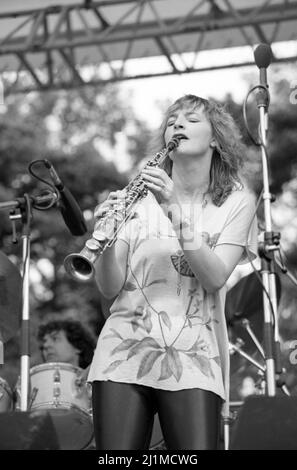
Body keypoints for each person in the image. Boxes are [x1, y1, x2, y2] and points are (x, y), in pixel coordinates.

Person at [87, 94, 258, 450]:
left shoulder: (237, 201)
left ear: (215, 138)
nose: (177, 124)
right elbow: (110, 287)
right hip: (122, 353)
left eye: (192, 120)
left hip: (195, 357)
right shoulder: (138, 198)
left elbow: (214, 278)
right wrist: (104, 238)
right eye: (171, 120)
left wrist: (173, 209)